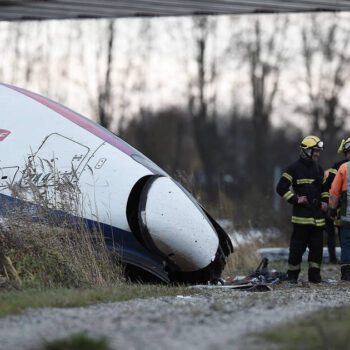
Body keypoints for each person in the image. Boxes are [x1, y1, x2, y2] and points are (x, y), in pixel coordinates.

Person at [276, 136, 328, 283]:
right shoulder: (294, 168)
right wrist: (294, 199)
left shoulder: (318, 168)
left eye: (319, 151)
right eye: (315, 151)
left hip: (318, 219)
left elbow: (324, 188)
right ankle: (292, 277)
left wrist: (325, 201)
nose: (318, 154)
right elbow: (281, 188)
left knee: (317, 251)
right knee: (297, 250)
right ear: (306, 151)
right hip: (301, 219)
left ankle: (315, 277)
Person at [324, 139, 350, 263]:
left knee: (344, 240)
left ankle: (345, 269)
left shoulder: (342, 167)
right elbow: (331, 188)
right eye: (348, 152)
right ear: (345, 153)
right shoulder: (339, 167)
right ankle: (334, 259)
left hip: (342, 212)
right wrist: (331, 208)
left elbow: (333, 190)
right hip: (340, 210)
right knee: (339, 237)